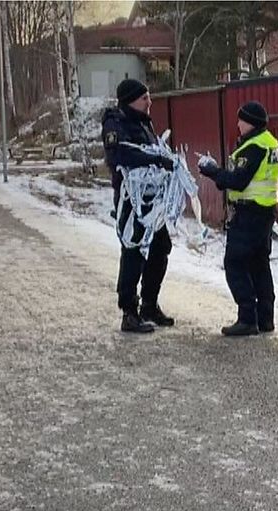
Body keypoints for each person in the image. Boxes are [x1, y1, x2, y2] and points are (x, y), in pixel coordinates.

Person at [197, 101, 278, 336]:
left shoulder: (254, 146)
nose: (238, 124)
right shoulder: (269, 142)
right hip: (264, 212)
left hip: (249, 213)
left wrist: (213, 172)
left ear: (250, 122)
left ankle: (247, 318)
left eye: (241, 120)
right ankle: (265, 319)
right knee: (259, 265)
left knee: (235, 263)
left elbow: (238, 181)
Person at [101, 78, 176, 334]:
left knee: (160, 246)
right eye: (145, 98)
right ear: (132, 99)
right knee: (133, 252)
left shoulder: (145, 123)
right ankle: (129, 312)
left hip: (152, 201)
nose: (150, 102)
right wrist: (154, 158)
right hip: (130, 201)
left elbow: (153, 151)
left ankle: (149, 305)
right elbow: (120, 153)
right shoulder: (115, 122)